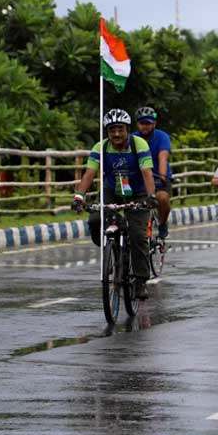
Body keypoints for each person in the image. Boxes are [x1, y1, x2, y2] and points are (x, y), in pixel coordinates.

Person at [72, 108, 157, 299]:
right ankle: (112, 247)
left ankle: (141, 281)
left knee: (138, 236)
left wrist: (150, 197)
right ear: (107, 132)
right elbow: (89, 174)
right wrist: (78, 196)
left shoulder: (139, 144)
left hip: (138, 192)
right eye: (112, 130)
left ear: (127, 129)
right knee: (95, 219)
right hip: (112, 190)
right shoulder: (100, 148)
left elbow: (147, 173)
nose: (116, 134)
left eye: (120, 129)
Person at [133, 106, 173, 238]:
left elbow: (163, 157)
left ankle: (162, 223)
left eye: (148, 123)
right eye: (142, 123)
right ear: (137, 124)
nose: (145, 127)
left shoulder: (162, 137)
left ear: (154, 124)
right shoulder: (132, 139)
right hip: (139, 178)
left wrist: (161, 177)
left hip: (157, 176)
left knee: (162, 198)